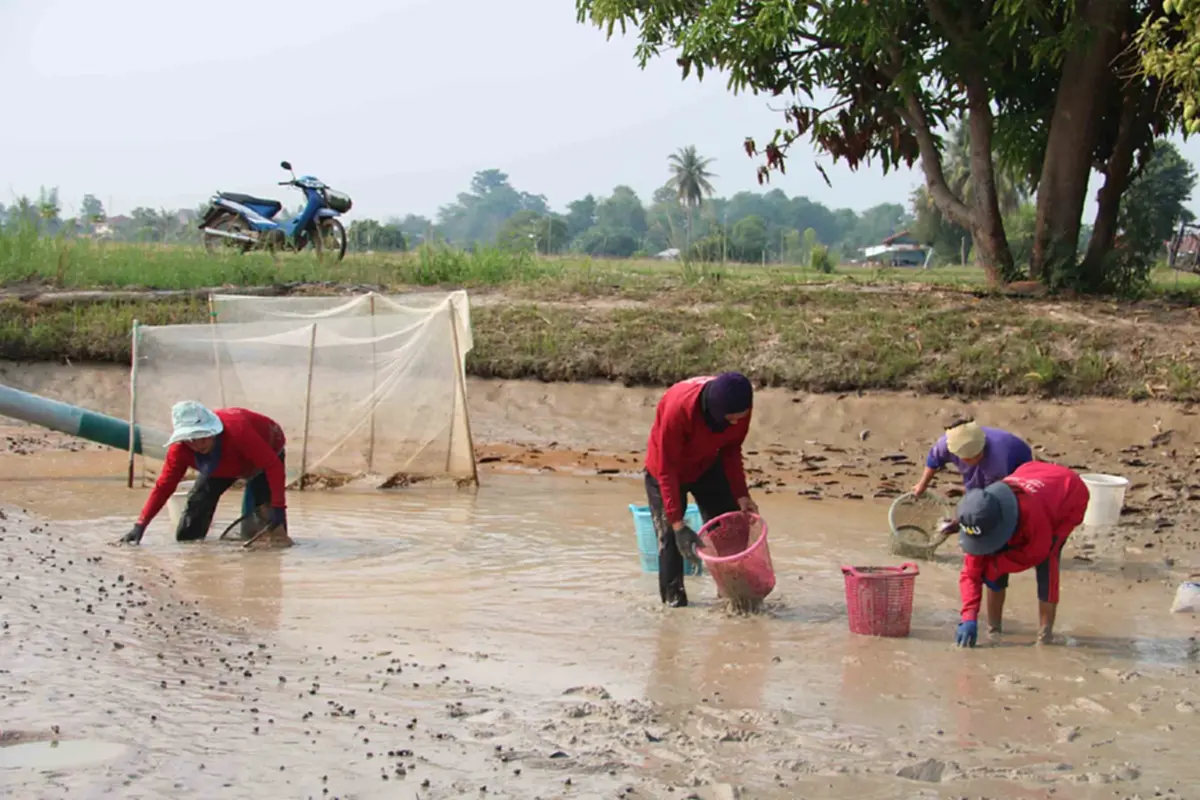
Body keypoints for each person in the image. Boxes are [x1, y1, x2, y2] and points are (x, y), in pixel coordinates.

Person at [644, 372, 758, 607]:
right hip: (665, 470)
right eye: (731, 419)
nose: (736, 423)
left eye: (741, 417)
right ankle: (673, 607)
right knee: (669, 540)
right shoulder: (679, 409)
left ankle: (732, 597)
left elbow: (731, 450)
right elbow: (666, 469)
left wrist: (741, 494)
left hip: (706, 464)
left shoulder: (740, 404)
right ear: (715, 413)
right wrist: (677, 523)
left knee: (729, 527)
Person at [950, 460, 1089, 647]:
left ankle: (1045, 635)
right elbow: (970, 573)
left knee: (1048, 561)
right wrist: (968, 617)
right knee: (991, 558)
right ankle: (994, 630)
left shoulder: (1032, 515)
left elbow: (1036, 553)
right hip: (1030, 472)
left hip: (1068, 495)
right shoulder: (979, 515)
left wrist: (997, 566)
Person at [119, 401, 287, 545]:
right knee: (198, 504)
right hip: (223, 464)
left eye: (203, 436)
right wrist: (140, 525)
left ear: (214, 430)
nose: (198, 445)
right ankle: (190, 550)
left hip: (267, 448)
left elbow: (273, 466)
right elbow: (164, 487)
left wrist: (278, 507)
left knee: (267, 517)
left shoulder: (238, 430)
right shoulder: (180, 450)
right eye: (190, 439)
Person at [913, 419, 1033, 497]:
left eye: (977, 455)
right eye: (968, 458)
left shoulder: (997, 458)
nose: (974, 460)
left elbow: (991, 492)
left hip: (1017, 460)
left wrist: (964, 490)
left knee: (1009, 496)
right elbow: (933, 460)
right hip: (990, 459)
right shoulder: (945, 444)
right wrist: (922, 484)